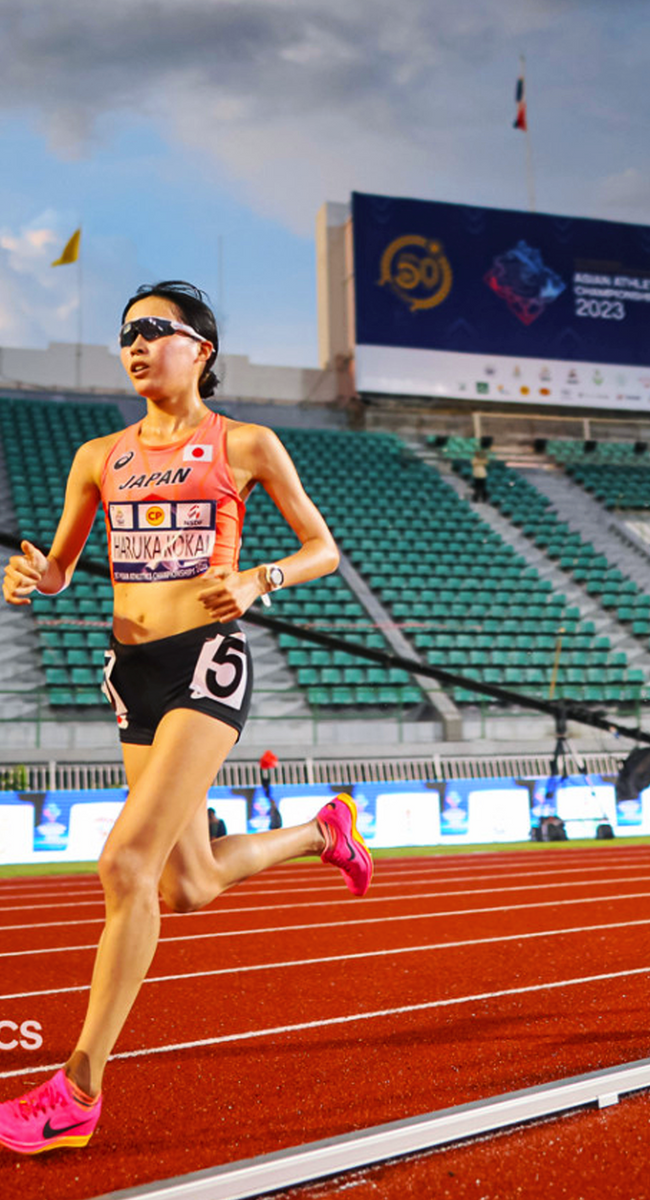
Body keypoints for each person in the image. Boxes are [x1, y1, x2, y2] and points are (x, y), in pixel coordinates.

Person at [0, 281, 373, 1156]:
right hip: (132, 675)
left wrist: (258, 579)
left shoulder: (245, 443)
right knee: (185, 886)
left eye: (154, 331)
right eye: (125, 334)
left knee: (124, 864)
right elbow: (59, 566)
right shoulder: (98, 456)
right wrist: (38, 579)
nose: (135, 346)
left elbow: (324, 547)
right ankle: (321, 833)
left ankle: (77, 1090)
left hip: (209, 661)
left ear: (200, 348)